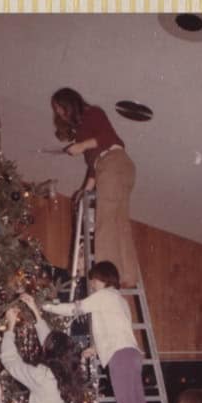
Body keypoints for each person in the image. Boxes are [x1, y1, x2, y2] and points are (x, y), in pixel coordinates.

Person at [42, 260, 154, 403]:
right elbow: (115, 330)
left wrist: (45, 306)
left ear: (101, 278)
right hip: (130, 354)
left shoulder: (104, 296)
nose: (91, 284)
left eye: (93, 280)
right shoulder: (119, 299)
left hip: (121, 357)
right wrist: (95, 349)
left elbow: (75, 309)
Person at [51, 87, 140, 287]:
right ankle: (127, 276)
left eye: (60, 109)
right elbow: (94, 168)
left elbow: (107, 138)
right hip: (119, 166)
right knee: (119, 222)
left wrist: (81, 146)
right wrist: (86, 189)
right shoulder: (84, 129)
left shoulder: (93, 113)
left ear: (70, 104)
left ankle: (106, 278)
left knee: (105, 222)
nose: (60, 114)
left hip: (113, 163)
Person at [0, 293, 83, 403]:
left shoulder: (43, 376)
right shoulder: (71, 374)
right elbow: (51, 344)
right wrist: (34, 310)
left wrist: (10, 327)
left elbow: (10, 361)